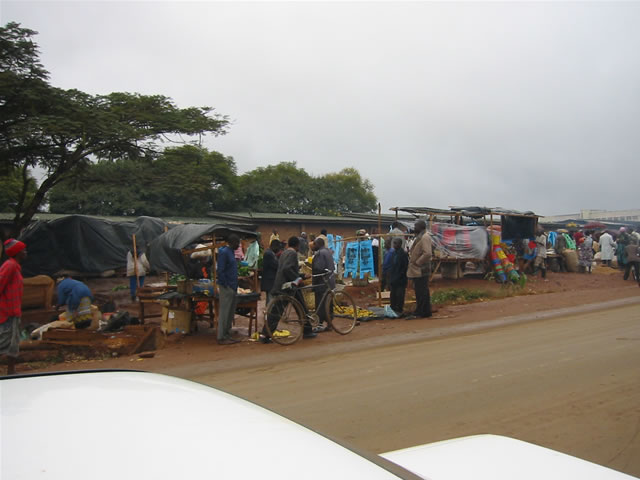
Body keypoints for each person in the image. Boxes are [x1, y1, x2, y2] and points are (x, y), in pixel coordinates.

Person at [263, 236, 314, 343]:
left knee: (277, 310)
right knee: (301, 308)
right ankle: (307, 331)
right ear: (297, 245)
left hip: (281, 284)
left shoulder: (284, 253)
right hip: (288, 286)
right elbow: (287, 269)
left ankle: (265, 334)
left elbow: (286, 268)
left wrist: (301, 275)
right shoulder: (292, 254)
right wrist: (298, 278)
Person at [0, 239, 27, 375]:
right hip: (6, 312)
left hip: (14, 311)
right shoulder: (9, 266)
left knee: (13, 343)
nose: (25, 252)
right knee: (3, 342)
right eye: (23, 250)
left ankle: (11, 371)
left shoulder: (15, 266)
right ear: (17, 252)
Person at [216, 234, 240, 345]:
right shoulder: (224, 252)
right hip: (227, 287)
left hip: (232, 286)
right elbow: (220, 271)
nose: (239, 245)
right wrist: (226, 285)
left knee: (230, 313)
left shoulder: (230, 252)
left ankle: (226, 333)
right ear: (233, 242)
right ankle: (221, 337)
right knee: (225, 312)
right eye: (238, 243)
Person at [406, 220, 433, 319]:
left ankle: (423, 311)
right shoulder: (420, 236)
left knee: (422, 291)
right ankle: (423, 310)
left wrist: (418, 262)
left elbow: (428, 253)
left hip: (421, 269)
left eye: (416, 226)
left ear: (421, 227)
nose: (414, 227)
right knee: (420, 290)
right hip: (418, 269)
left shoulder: (425, 237)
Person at [311, 237, 335, 330]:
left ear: (318, 244)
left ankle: (320, 324)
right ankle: (329, 324)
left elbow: (318, 268)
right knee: (329, 304)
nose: (313, 246)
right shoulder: (328, 252)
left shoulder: (320, 253)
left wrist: (313, 280)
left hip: (322, 283)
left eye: (314, 244)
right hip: (330, 282)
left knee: (320, 303)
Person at [388, 237, 409, 316]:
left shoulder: (403, 254)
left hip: (400, 279)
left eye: (396, 243)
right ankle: (393, 308)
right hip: (393, 278)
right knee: (393, 294)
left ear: (400, 244)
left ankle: (399, 309)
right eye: (394, 243)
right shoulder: (394, 253)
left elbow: (404, 267)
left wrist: (399, 276)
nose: (394, 245)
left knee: (400, 294)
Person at [261, 239, 281, 305]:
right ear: (274, 246)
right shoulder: (269, 254)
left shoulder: (270, 253)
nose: (279, 249)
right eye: (278, 247)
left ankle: (269, 314)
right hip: (269, 282)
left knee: (270, 300)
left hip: (270, 281)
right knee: (270, 301)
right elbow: (276, 265)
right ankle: (269, 314)